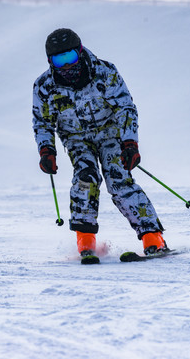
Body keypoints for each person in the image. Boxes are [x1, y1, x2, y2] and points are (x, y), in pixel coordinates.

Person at [32, 28, 168, 263]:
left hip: (110, 134)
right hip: (76, 139)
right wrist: (47, 150)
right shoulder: (44, 86)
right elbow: (42, 121)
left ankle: (152, 237)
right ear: (50, 61)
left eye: (70, 57)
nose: (66, 66)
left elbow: (125, 107)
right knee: (86, 178)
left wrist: (129, 143)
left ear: (80, 51)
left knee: (118, 179)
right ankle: (85, 241)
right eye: (59, 60)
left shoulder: (104, 72)